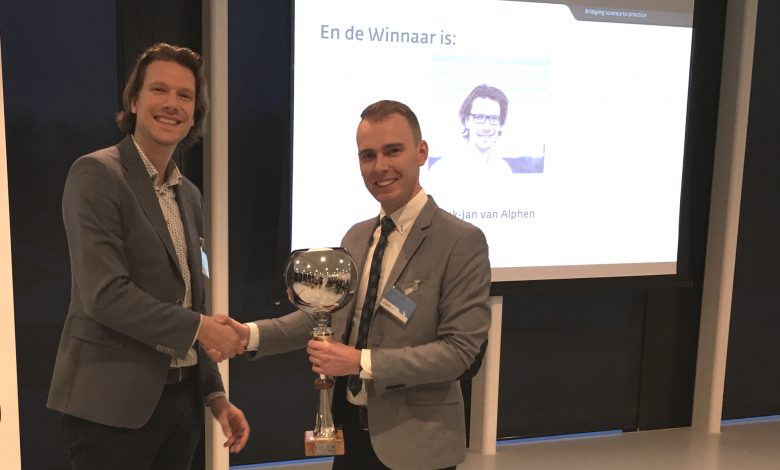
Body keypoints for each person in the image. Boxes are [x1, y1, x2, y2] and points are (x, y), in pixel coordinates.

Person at [224, 100, 492, 469]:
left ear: (421, 152)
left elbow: (460, 353)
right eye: (368, 155)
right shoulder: (357, 236)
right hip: (350, 435)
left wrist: (359, 361)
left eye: (392, 151)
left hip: (417, 447)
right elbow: (323, 319)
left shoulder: (461, 241)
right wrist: (248, 335)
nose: (380, 167)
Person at [47, 43, 249, 469]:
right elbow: (105, 295)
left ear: (195, 112)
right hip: (110, 412)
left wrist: (215, 397)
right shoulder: (96, 174)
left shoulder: (188, 195)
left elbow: (193, 304)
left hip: (180, 407)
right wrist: (200, 328)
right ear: (134, 100)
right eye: (160, 90)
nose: (172, 104)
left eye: (185, 96)